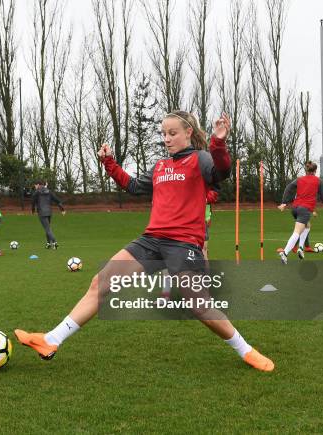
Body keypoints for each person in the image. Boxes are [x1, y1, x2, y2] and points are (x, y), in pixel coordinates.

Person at [15, 111, 275, 372]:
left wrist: (218, 141)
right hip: (151, 241)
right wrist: (109, 162)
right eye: (163, 134)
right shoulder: (161, 166)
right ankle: (51, 339)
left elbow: (222, 171)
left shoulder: (200, 159)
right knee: (101, 282)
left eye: (172, 133)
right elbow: (133, 186)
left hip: (183, 244)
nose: (167, 139)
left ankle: (246, 350)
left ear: (188, 133)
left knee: (199, 304)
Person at [278, 161, 323, 264]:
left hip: (295, 208)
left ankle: (300, 247)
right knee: (297, 232)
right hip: (304, 210)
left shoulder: (299, 179)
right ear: (315, 171)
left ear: (306, 170)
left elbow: (288, 188)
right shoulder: (318, 181)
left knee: (307, 226)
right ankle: (285, 253)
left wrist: (284, 203)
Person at [31, 180, 65, 249]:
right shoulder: (49, 191)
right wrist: (62, 209)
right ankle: (48, 243)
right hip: (49, 212)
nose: (35, 187)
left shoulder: (37, 192)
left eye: (35, 185)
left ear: (38, 184)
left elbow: (33, 202)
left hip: (41, 213)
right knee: (47, 228)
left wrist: (33, 211)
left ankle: (55, 242)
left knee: (47, 229)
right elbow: (57, 200)